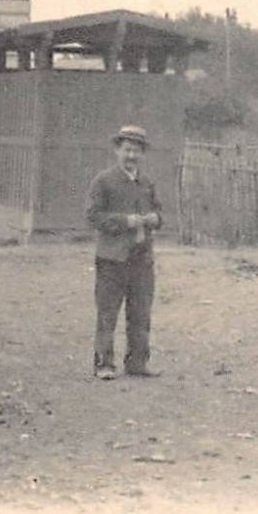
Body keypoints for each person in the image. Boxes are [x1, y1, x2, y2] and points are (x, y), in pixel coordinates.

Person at [85, 124, 164, 380]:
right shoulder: (104, 181)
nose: (131, 156)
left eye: (136, 151)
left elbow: (160, 213)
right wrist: (125, 221)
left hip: (142, 258)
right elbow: (93, 217)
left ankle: (138, 362)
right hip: (112, 259)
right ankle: (104, 364)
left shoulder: (147, 182)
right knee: (108, 313)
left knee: (140, 313)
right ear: (118, 150)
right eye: (127, 150)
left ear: (142, 153)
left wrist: (155, 218)